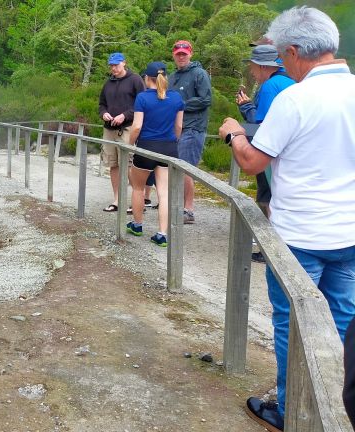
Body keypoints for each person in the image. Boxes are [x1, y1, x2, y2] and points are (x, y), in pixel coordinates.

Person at [219, 7, 355, 431]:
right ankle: (343, 401)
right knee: (345, 318)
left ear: (295, 51)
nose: (283, 64)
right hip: (350, 233)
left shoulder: (295, 99)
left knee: (291, 321)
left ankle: (291, 409)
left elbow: (255, 162)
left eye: (283, 55)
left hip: (301, 236)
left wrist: (234, 134)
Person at [235, 44, 296, 264]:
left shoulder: (271, 85)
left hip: (271, 154)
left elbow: (262, 124)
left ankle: (271, 248)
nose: (251, 71)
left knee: (267, 196)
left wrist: (245, 108)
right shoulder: (291, 81)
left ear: (262, 67)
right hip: (291, 152)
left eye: (252, 66)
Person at [125, 61, 184, 247]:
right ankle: (162, 234)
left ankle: (137, 224)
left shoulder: (142, 98)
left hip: (146, 148)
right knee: (164, 193)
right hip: (169, 148)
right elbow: (179, 126)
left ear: (146, 78)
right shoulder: (176, 98)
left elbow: (137, 126)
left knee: (137, 187)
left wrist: (130, 144)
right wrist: (172, 141)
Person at [168, 40, 212, 224]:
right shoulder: (172, 76)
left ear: (190, 54)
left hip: (193, 128)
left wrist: (181, 105)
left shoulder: (199, 74)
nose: (181, 56)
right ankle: (176, 206)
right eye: (178, 53)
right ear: (173, 55)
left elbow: (205, 99)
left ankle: (189, 210)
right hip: (175, 128)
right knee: (174, 167)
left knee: (186, 168)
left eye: (184, 54)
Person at [98, 52, 145, 213]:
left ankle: (136, 201)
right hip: (109, 129)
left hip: (127, 128)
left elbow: (142, 104)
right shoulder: (108, 83)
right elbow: (101, 104)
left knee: (129, 165)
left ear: (124, 63)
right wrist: (104, 113)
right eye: (111, 65)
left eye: (116, 65)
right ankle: (117, 200)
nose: (114, 68)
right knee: (114, 164)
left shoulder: (135, 80)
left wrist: (124, 115)